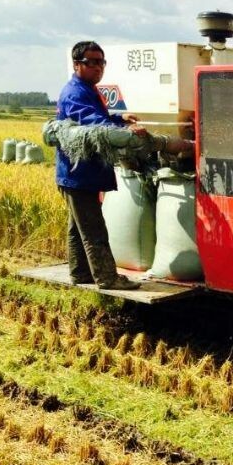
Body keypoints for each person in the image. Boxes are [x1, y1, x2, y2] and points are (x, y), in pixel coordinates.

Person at [55, 40, 144, 289]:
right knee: (93, 229)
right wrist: (125, 131)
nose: (98, 67)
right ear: (77, 64)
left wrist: (119, 117)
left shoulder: (86, 89)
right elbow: (95, 124)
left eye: (101, 62)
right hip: (79, 173)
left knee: (78, 227)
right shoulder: (75, 93)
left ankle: (80, 273)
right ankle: (107, 278)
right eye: (91, 62)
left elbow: (100, 117)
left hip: (82, 172)